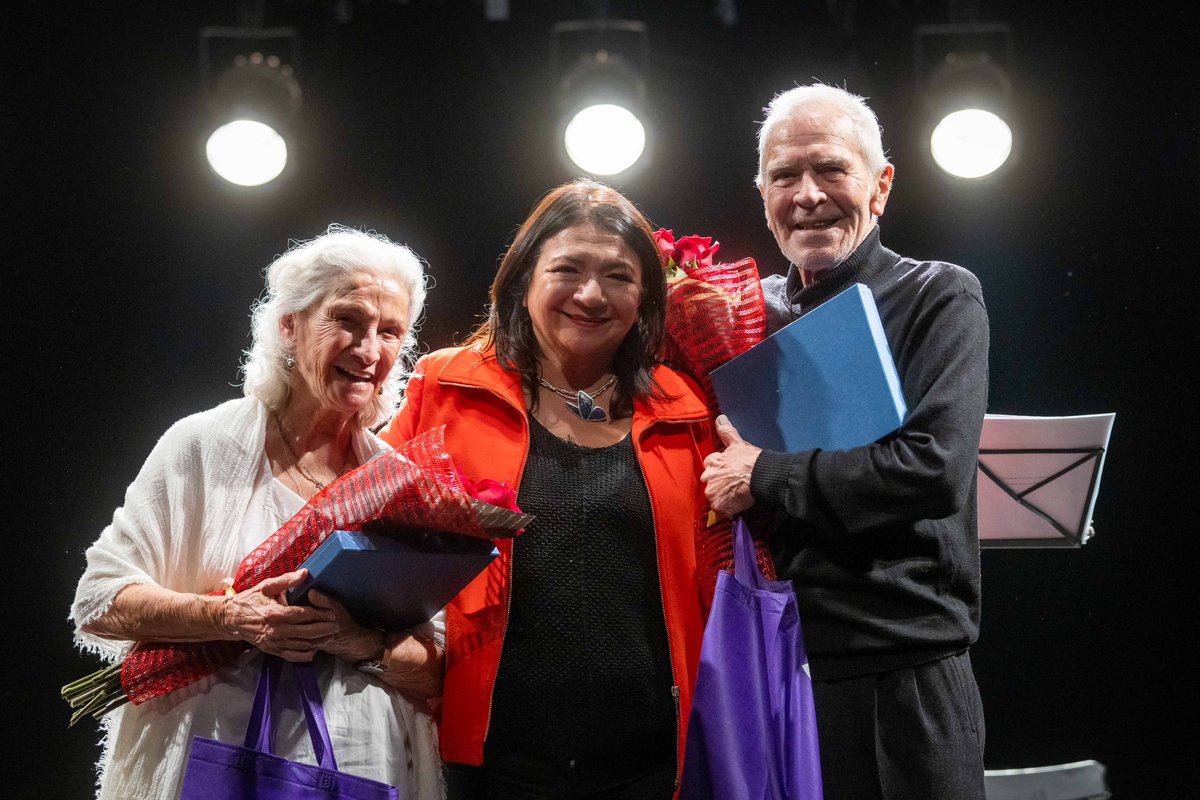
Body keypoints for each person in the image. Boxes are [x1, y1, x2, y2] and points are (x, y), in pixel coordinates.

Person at [69, 225, 445, 800]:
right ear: (288, 325)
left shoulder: (398, 483)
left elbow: (436, 667)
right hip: (213, 759)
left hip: (362, 766)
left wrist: (360, 642)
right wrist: (230, 617)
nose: (370, 351)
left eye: (390, 331)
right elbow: (100, 600)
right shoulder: (203, 446)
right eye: (347, 320)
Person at [380, 179, 722, 799]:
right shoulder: (446, 387)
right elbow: (371, 536)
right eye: (567, 268)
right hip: (490, 766)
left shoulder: (686, 409)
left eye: (618, 276)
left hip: (649, 767)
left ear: (645, 295)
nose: (591, 295)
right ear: (523, 279)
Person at [701, 84, 990, 799]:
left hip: (905, 673)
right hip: (772, 662)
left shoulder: (939, 296)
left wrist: (765, 475)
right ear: (760, 192)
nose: (807, 195)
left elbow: (934, 470)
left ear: (880, 185)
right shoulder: (740, 315)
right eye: (783, 176)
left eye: (831, 169)